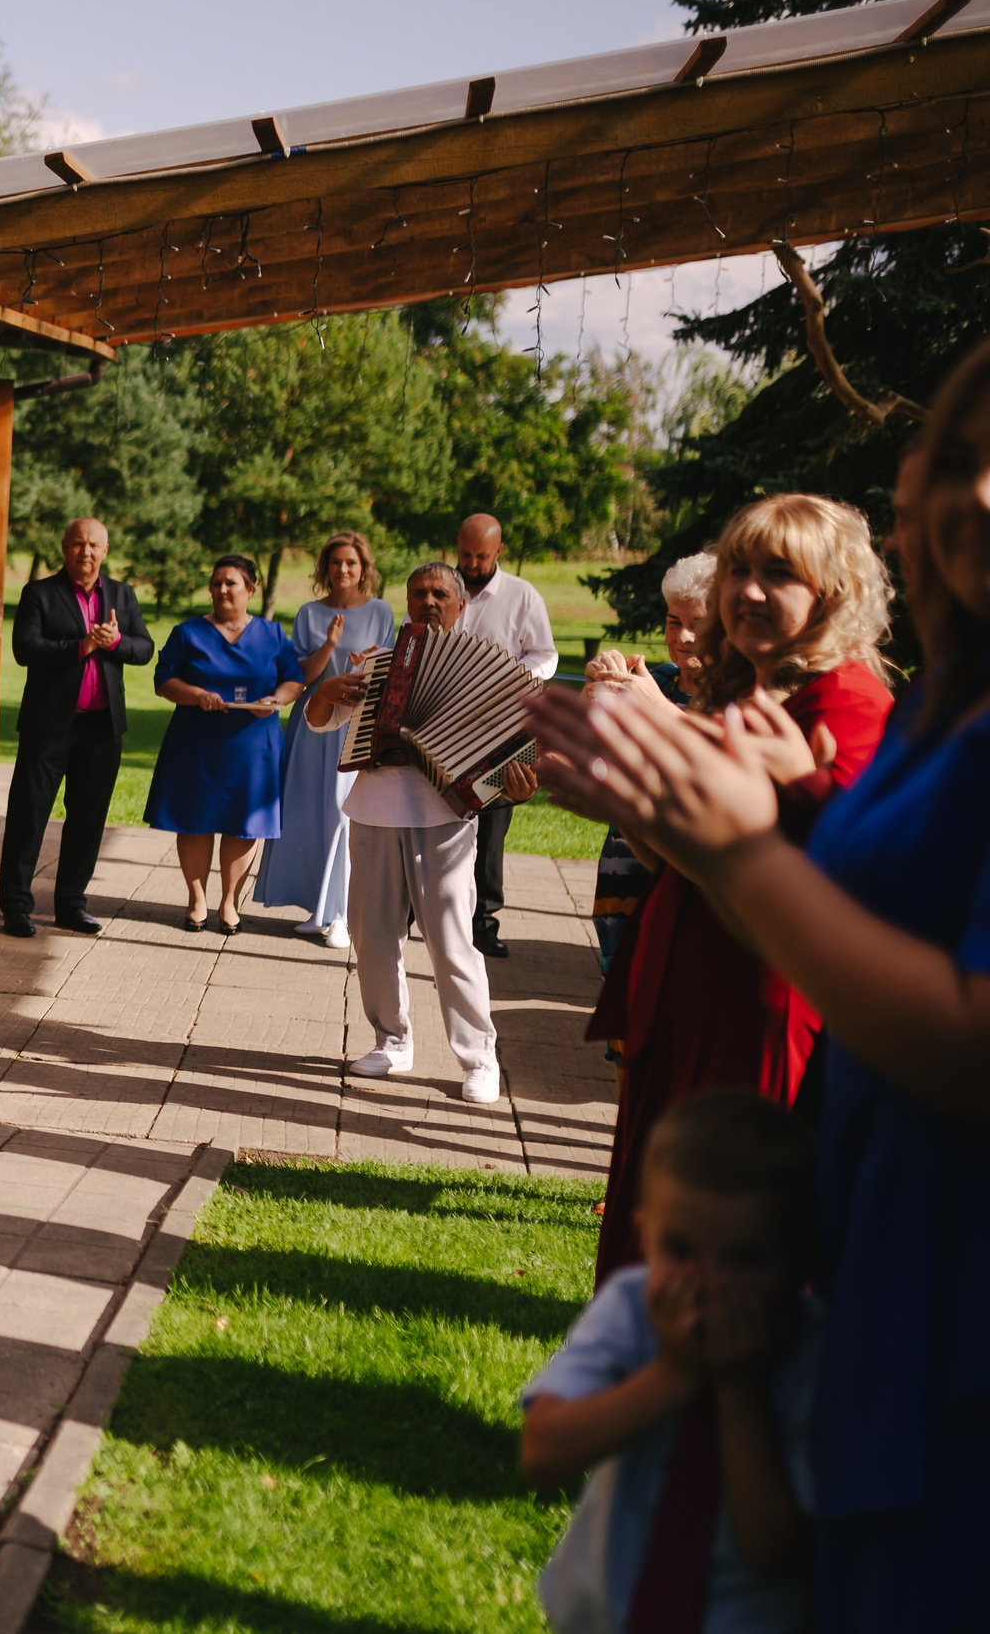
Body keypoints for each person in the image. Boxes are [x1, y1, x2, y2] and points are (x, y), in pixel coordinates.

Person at [524, 338, 990, 1628]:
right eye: (951, 466)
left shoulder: (871, 702)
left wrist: (724, 832)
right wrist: (672, 810)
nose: (972, 498)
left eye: (775, 572)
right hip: (879, 1185)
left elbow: (943, 1013)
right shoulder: (953, 700)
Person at [581, 496, 895, 1280]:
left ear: (832, 591)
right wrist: (629, 801)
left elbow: (813, 887)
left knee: (719, 1244)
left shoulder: (848, 704)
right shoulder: (749, 692)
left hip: (760, 1002)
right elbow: (679, 869)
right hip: (688, 986)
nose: (748, 591)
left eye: (777, 573)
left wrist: (642, 792)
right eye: (738, 571)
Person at [520, 1090, 819, 1634]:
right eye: (680, 1250)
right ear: (644, 1237)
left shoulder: (814, 1352)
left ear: (796, 1257)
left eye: (744, 1259)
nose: (708, 1283)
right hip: (601, 1617)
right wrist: (675, 1374)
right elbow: (543, 1451)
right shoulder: (631, 1308)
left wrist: (737, 1391)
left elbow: (773, 1544)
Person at [304, 563, 537, 1104]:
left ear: (459, 606)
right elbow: (320, 720)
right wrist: (326, 690)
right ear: (406, 602)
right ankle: (392, 1041)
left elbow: (519, 763)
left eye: (439, 593)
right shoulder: (376, 665)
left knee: (453, 941)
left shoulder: (489, 674)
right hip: (373, 811)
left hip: (446, 820)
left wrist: (520, 785)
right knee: (373, 936)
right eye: (418, 593)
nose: (428, 601)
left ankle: (480, 1059)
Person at [0, 517, 155, 937]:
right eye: (77, 544)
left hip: (103, 729)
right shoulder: (40, 593)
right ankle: (15, 905)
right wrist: (82, 646)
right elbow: (25, 649)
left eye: (94, 545)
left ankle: (71, 904)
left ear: (105, 551)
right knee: (28, 816)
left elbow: (144, 648)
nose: (85, 552)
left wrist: (115, 643)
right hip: (48, 725)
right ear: (64, 547)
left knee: (88, 819)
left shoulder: (121, 594)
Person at [144, 554, 301, 933]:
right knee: (194, 821)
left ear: (251, 589)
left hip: (253, 745)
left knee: (243, 824)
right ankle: (196, 899)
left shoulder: (273, 634)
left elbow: (293, 679)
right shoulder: (188, 633)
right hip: (197, 742)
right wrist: (196, 693)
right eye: (216, 583)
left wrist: (275, 701)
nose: (222, 589)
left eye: (231, 583)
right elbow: (163, 680)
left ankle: (230, 903)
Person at [258, 531, 396, 949]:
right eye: (336, 562)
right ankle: (318, 906)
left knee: (344, 817)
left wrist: (368, 659)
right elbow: (301, 676)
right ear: (325, 568)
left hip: (355, 728)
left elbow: (390, 671)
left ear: (364, 569)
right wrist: (331, 645)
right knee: (310, 815)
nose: (343, 569)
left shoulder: (381, 612)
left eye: (351, 563)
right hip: (312, 727)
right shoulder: (308, 613)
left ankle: (342, 914)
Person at [582, 552, 714, 980]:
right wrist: (595, 691)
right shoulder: (652, 678)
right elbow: (594, 756)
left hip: (681, 879)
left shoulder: (731, 698)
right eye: (674, 621)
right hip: (621, 870)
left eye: (697, 623)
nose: (684, 636)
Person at [454, 513, 560, 958]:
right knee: (429, 815)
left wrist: (516, 678)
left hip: (500, 727)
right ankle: (412, 912)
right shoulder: (440, 587)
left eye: (481, 556)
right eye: (465, 554)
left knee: (492, 824)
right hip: (444, 720)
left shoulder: (522, 595)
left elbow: (546, 654)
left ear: (499, 551)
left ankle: (484, 922)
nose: (473, 563)